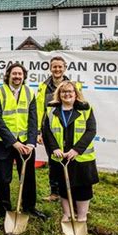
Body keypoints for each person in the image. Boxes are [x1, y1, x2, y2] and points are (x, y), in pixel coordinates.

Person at [0, 63, 46, 220]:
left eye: (20, 74)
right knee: (3, 177)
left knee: (28, 176)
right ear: (8, 75)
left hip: (26, 143)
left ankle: (29, 207)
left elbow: (33, 119)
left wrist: (31, 143)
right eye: (14, 73)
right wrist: (14, 142)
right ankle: (4, 210)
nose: (17, 77)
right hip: (2, 142)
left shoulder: (29, 92)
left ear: (24, 76)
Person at [42, 81, 98, 223]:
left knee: (83, 187)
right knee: (63, 186)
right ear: (59, 95)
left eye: (70, 91)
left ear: (75, 94)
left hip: (81, 157)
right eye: (63, 92)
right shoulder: (51, 110)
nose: (67, 94)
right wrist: (54, 148)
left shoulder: (85, 108)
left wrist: (76, 150)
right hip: (60, 156)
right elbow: (47, 131)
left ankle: (82, 216)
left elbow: (91, 130)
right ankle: (67, 214)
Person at [37, 56, 83, 202]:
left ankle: (71, 193)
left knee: (71, 162)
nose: (57, 69)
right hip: (50, 129)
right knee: (53, 162)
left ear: (65, 68)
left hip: (69, 128)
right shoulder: (43, 86)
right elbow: (39, 109)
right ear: (50, 68)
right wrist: (39, 131)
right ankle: (55, 192)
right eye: (54, 67)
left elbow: (80, 107)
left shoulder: (74, 86)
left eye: (59, 66)